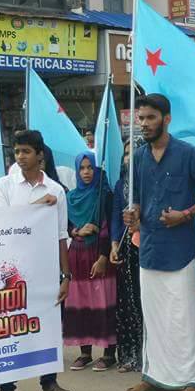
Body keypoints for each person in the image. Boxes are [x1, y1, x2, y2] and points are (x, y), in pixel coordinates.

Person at [121, 94, 195, 391]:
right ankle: (154, 375)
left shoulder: (188, 154)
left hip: (179, 249)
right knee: (153, 317)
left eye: (151, 117)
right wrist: (133, 214)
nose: (144, 124)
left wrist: (187, 214)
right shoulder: (138, 156)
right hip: (149, 246)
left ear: (166, 119)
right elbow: (137, 198)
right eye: (141, 118)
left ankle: (192, 378)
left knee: (184, 316)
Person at [0, 130, 72, 391]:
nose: (21, 157)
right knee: (10, 329)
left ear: (40, 154)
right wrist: (38, 205)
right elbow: (2, 223)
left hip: (46, 269)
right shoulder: (4, 185)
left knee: (48, 327)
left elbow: (61, 235)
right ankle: (7, 390)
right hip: (10, 271)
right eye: (17, 152)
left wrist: (66, 276)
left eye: (26, 151)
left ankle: (49, 382)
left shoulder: (56, 190)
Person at [64, 152, 117, 371]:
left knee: (103, 302)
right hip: (76, 255)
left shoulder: (105, 195)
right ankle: (85, 352)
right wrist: (77, 230)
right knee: (81, 302)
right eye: (82, 168)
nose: (86, 172)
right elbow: (64, 225)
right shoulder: (71, 197)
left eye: (90, 168)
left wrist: (104, 256)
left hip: (99, 255)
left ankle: (108, 353)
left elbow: (110, 226)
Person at [110, 140, 143, 373]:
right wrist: (113, 245)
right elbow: (114, 215)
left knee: (145, 302)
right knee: (127, 303)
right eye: (126, 153)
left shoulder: (146, 183)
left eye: (134, 153)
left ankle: (148, 355)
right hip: (124, 249)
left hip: (145, 247)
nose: (129, 158)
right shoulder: (120, 184)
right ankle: (129, 354)